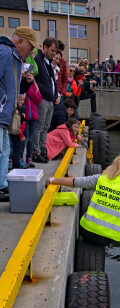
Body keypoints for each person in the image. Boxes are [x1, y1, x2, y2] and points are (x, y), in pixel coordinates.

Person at [0, 26, 39, 200]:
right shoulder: (5, 53)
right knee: (2, 151)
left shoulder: (15, 57)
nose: (31, 53)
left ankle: (2, 184)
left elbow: (13, 88)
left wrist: (26, 82)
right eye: (30, 48)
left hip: (5, 115)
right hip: (1, 112)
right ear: (21, 41)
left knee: (4, 151)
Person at [33, 37, 60, 163]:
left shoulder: (47, 62)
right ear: (44, 47)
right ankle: (36, 152)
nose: (54, 54)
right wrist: (44, 90)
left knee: (46, 127)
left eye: (55, 51)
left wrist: (55, 95)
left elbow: (51, 80)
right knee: (40, 126)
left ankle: (43, 151)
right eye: (52, 50)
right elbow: (36, 78)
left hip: (50, 99)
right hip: (43, 98)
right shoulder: (37, 58)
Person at [23, 68, 42, 167]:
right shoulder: (23, 85)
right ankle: (21, 158)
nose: (30, 75)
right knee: (25, 137)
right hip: (25, 116)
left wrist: (30, 88)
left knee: (30, 138)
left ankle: (29, 157)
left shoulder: (35, 86)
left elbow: (38, 99)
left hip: (33, 116)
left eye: (31, 73)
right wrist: (28, 87)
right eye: (28, 73)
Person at [9, 94, 26, 169]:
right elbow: (18, 124)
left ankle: (16, 164)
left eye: (23, 100)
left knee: (17, 149)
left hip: (17, 132)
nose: (22, 101)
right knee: (16, 149)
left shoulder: (20, 108)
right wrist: (21, 135)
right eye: (20, 99)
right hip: (16, 132)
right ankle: (16, 165)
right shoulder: (16, 110)